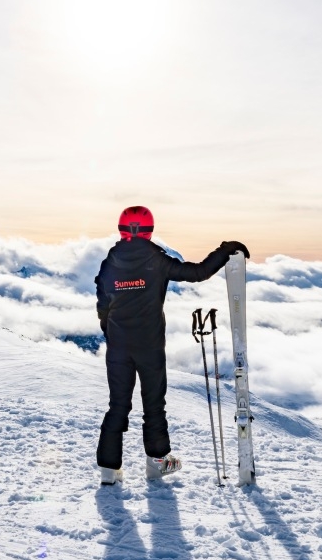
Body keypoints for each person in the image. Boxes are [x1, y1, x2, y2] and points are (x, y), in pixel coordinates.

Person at [94, 205, 249, 484]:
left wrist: (111, 334)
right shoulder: (157, 261)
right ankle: (158, 464)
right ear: (150, 230)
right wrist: (225, 250)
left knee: (118, 405)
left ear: (121, 229)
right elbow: (199, 272)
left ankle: (109, 471)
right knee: (153, 405)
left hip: (118, 347)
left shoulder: (110, 263)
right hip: (150, 346)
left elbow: (103, 305)